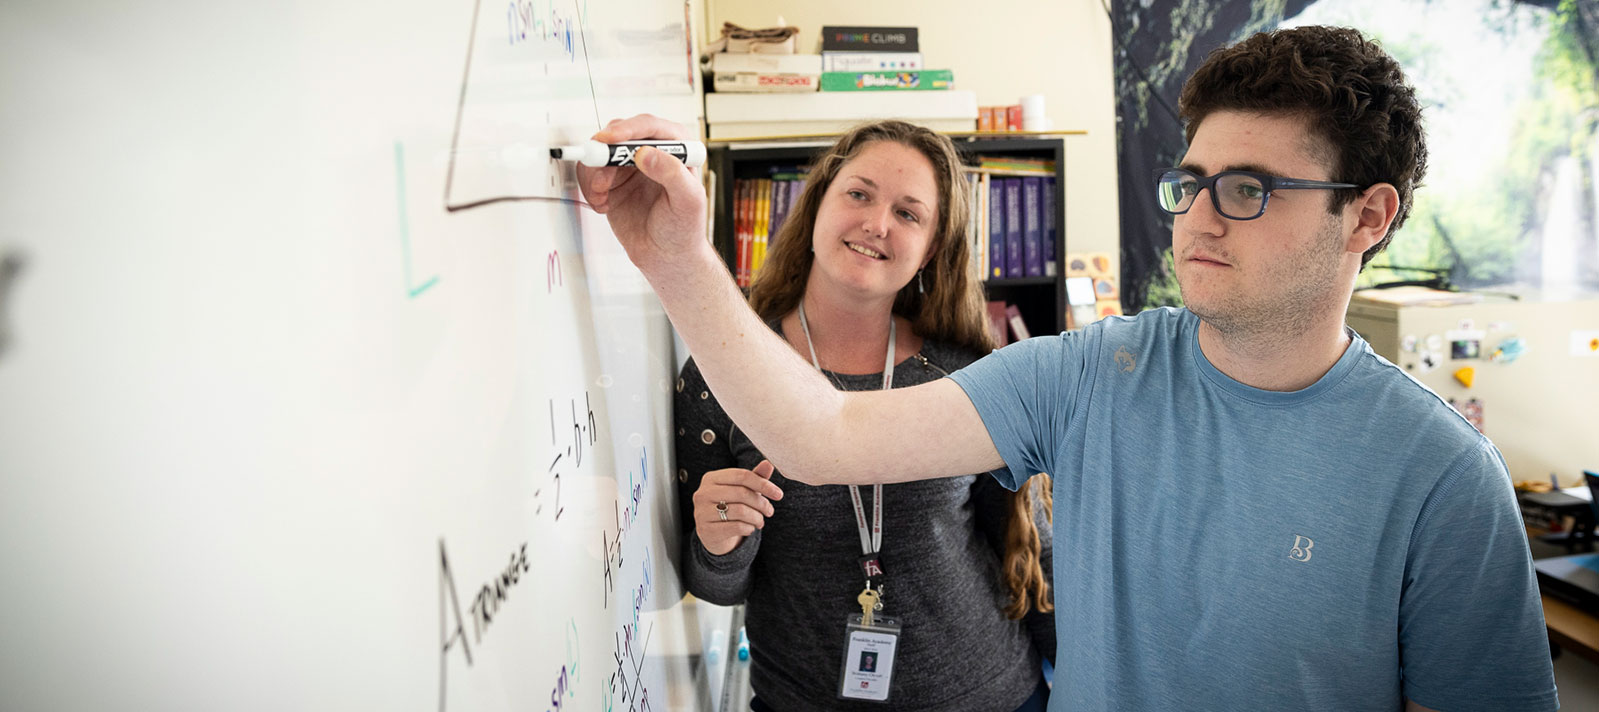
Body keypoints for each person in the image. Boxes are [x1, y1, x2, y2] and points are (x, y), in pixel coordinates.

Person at [579, 26, 1557, 711]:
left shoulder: (1441, 478)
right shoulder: (1095, 371)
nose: (1199, 217)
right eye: (1192, 182)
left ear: (1369, 216)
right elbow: (825, 437)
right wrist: (673, 253)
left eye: (1250, 188)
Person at [673, 120, 1055, 711]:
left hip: (993, 696)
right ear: (818, 204)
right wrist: (721, 543)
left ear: (932, 248)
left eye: (909, 213)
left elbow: (1030, 552)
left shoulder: (966, 372)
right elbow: (717, 588)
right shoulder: (723, 374)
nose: (877, 223)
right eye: (859, 193)